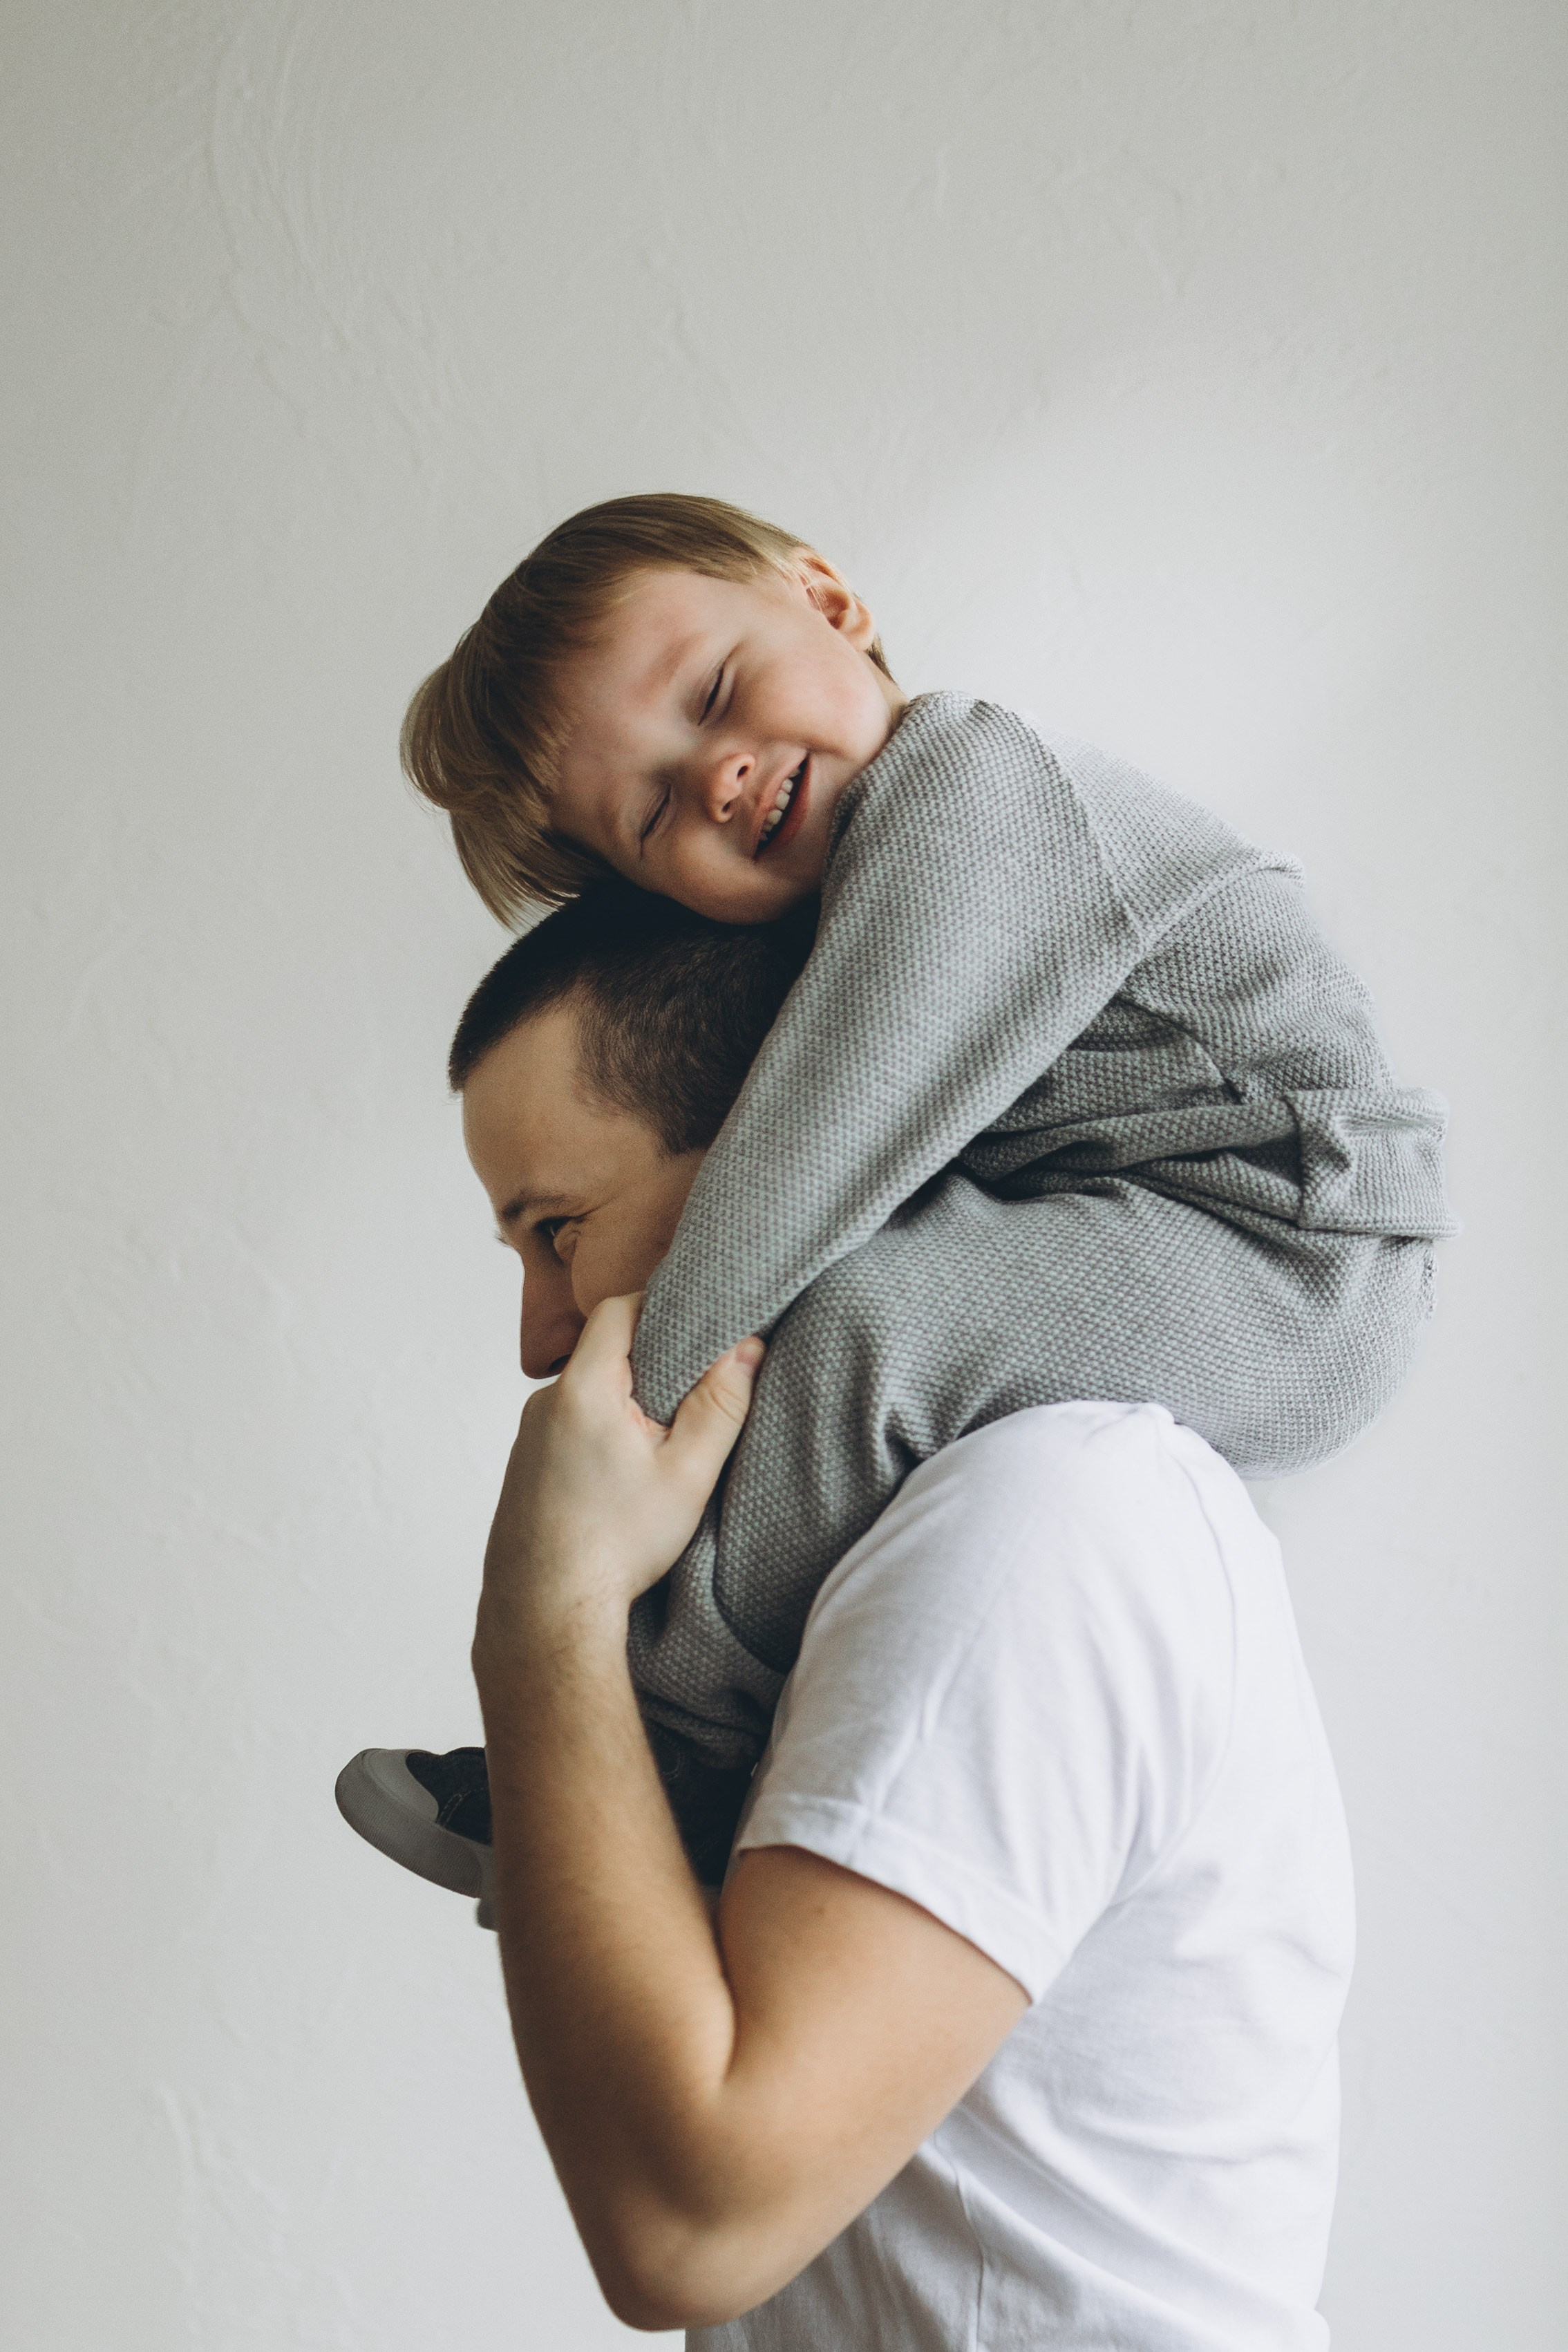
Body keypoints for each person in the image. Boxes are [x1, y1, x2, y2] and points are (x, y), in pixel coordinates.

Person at [342, 890, 1356, 2346]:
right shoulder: (832, 1577)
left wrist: (542, 1612)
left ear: (782, 1168)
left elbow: (688, 2225)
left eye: (557, 1230)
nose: (536, 1335)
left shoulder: (1033, 1528)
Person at [388, 491, 1453, 1870]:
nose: (713, 774)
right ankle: (702, 1728)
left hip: (1291, 1237)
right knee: (859, 1319)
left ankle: (668, 1753)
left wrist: (629, 1427)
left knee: (862, 1333)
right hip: (1190, 1219)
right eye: (653, 811)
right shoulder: (865, 892)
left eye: (714, 690)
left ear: (828, 601)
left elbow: (817, 1145)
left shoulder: (973, 788)